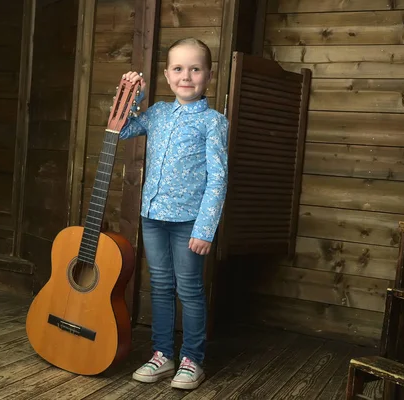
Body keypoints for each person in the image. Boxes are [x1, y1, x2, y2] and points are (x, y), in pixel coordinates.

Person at [118, 38, 229, 390]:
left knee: (190, 289)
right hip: (153, 216)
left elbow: (218, 178)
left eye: (195, 69)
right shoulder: (158, 113)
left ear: (208, 76)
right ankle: (163, 354)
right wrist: (132, 93)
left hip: (189, 223)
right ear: (167, 76)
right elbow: (120, 129)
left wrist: (205, 228)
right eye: (178, 69)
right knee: (161, 286)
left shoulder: (213, 122)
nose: (186, 76)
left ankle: (192, 359)